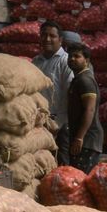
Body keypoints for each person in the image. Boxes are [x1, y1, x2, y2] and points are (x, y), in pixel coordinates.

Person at [33, 21, 73, 166]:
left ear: (60, 40)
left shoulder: (66, 61)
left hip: (61, 124)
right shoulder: (36, 62)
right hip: (41, 123)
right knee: (44, 163)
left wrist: (61, 123)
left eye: (52, 36)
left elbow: (71, 93)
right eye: (44, 35)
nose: (47, 39)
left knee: (63, 164)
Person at [65, 42, 103, 173]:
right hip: (82, 138)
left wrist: (79, 137)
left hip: (87, 140)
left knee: (82, 179)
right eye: (70, 56)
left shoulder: (85, 80)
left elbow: (89, 109)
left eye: (77, 56)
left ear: (86, 60)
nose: (72, 59)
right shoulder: (78, 79)